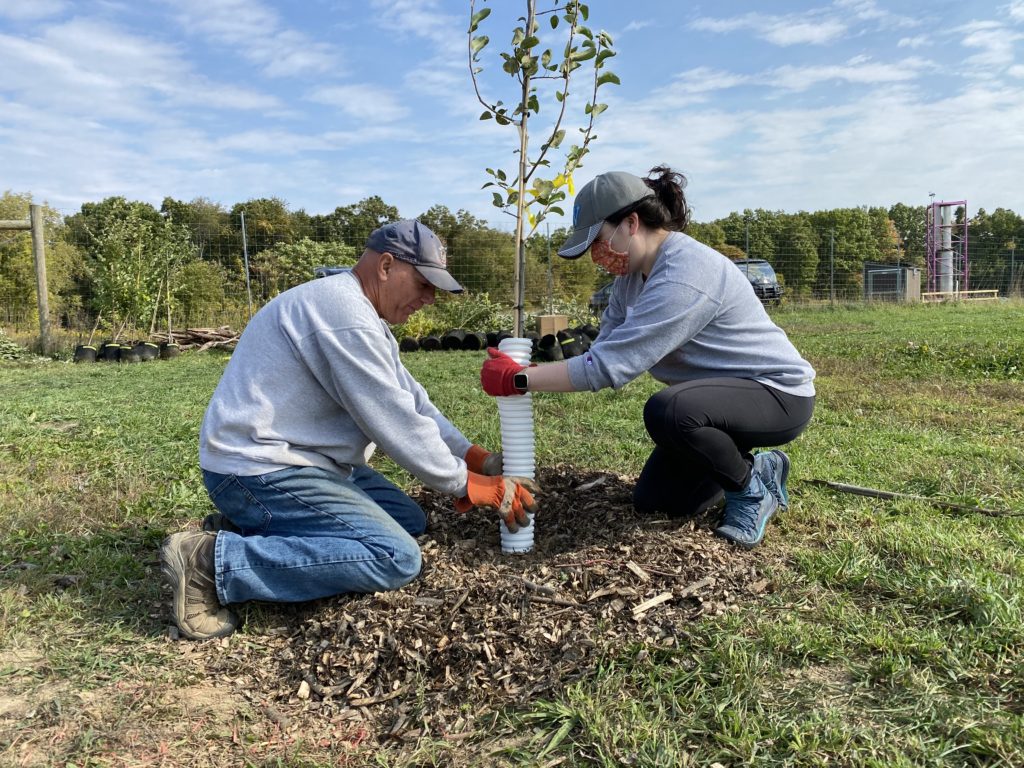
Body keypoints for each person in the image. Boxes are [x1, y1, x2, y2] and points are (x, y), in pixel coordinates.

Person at [161, 220, 537, 640]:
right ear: (387, 266)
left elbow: (412, 400)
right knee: (394, 556)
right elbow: (392, 418)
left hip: (303, 459)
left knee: (407, 518)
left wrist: (474, 457)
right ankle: (212, 564)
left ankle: (252, 525)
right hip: (257, 467)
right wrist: (469, 485)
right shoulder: (345, 318)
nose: (429, 299)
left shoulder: (359, 311)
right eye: (424, 284)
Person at [480, 167, 815, 549]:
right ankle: (757, 467)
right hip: (715, 405)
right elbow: (603, 349)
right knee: (657, 501)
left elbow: (609, 368)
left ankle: (751, 491)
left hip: (776, 395)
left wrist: (518, 379)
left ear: (631, 223)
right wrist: (534, 371)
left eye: (598, 241)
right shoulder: (631, 279)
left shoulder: (684, 273)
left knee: (668, 411)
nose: (595, 256)